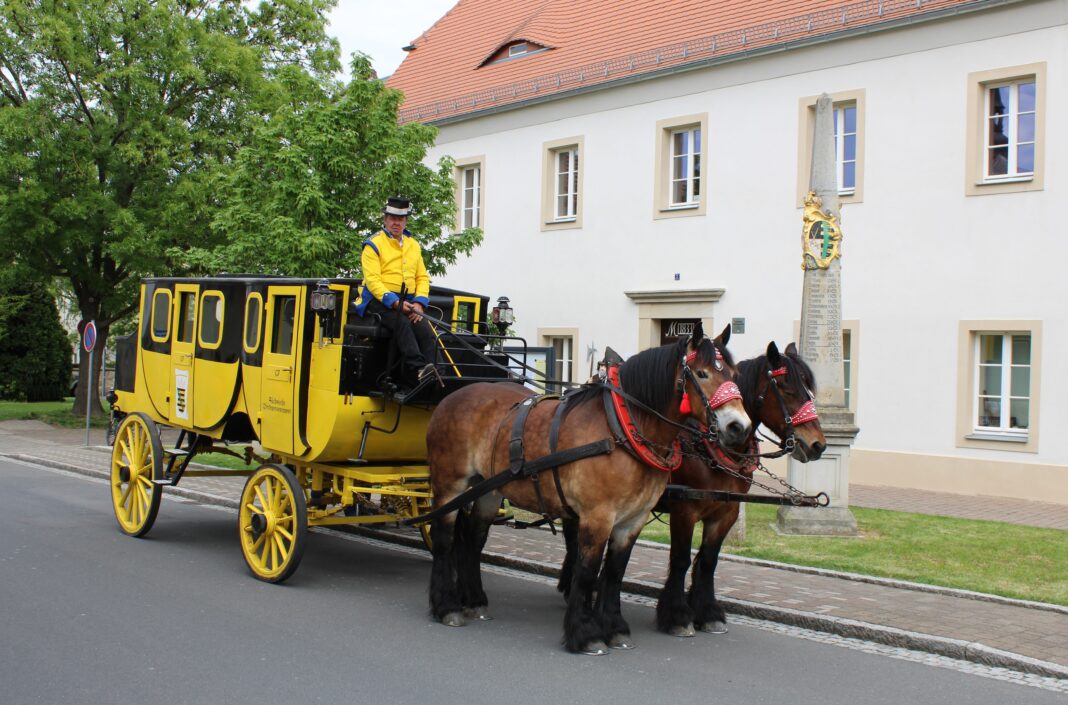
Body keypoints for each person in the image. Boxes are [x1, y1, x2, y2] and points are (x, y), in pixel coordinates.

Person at [356, 197, 440, 387]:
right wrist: (395, 303)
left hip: (409, 300)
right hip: (379, 300)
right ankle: (419, 369)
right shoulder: (373, 244)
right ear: (385, 219)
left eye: (400, 219)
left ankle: (439, 373)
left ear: (405, 222)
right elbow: (373, 281)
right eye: (393, 218)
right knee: (402, 323)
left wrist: (419, 303)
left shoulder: (413, 244)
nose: (396, 223)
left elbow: (422, 278)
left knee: (425, 328)